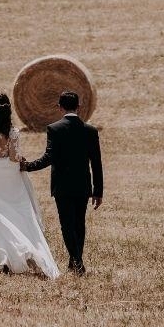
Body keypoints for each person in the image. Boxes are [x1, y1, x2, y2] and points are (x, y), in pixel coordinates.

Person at [0, 92, 61, 277]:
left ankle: (3, 259)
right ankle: (23, 249)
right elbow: (13, 158)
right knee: (16, 215)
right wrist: (21, 159)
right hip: (9, 178)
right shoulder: (13, 132)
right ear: (9, 111)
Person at [19, 90, 103, 275]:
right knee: (79, 224)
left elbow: (48, 158)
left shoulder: (54, 129)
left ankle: (77, 261)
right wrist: (98, 191)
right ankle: (75, 261)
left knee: (67, 224)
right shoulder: (90, 131)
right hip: (83, 185)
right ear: (79, 107)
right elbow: (96, 163)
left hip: (62, 186)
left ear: (60, 107)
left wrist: (27, 166)